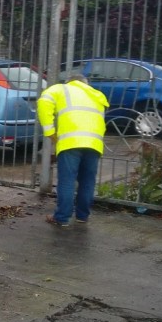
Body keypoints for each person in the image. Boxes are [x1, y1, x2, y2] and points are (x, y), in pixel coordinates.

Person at [37, 73, 109, 227]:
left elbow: (43, 102)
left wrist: (50, 131)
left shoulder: (61, 88)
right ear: (85, 83)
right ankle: (83, 216)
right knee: (87, 181)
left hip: (70, 142)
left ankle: (62, 218)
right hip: (94, 143)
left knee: (67, 181)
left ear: (69, 81)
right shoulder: (97, 95)